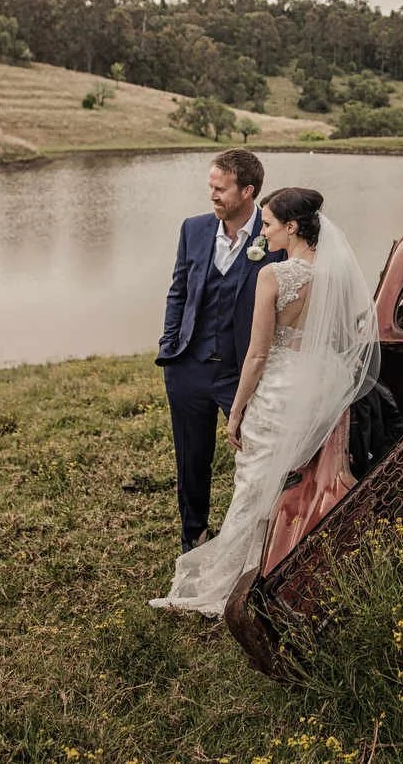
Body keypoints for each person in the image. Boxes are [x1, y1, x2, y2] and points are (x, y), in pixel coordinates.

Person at [150, 187, 379, 616]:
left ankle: (230, 581)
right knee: (292, 482)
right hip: (321, 387)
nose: (265, 231)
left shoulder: (272, 277)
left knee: (254, 484)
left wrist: (236, 411)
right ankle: (278, 565)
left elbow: (256, 355)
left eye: (270, 223)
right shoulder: (342, 274)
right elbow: (350, 335)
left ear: (291, 227)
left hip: (278, 390)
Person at [156, 149, 282, 553]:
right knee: (191, 460)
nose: (211, 195)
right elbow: (178, 291)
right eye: (210, 186)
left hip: (241, 372)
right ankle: (193, 537)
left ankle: (259, 537)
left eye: (220, 188)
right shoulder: (192, 229)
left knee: (258, 455)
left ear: (248, 192)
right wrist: (169, 346)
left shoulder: (274, 239)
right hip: (188, 366)